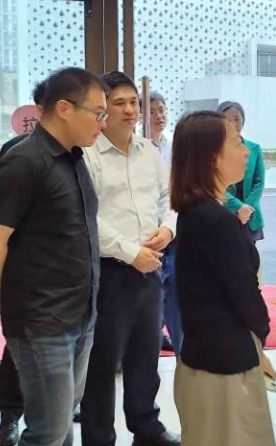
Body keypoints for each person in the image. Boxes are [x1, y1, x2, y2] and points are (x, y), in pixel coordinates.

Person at [0, 67, 108, 446]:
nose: (103, 123)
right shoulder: (24, 160)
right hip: (42, 322)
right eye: (98, 113)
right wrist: (8, 300)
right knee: (47, 431)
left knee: (61, 422)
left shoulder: (73, 157)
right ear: (64, 109)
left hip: (80, 314)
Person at [79, 71, 181, 446]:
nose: (129, 110)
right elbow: (87, 216)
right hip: (108, 272)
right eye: (118, 103)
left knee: (145, 354)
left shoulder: (149, 152)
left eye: (133, 102)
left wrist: (168, 229)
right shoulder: (88, 154)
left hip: (150, 268)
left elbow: (171, 197)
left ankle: (146, 426)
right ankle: (98, 437)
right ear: (103, 109)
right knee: (101, 363)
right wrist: (130, 251)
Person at [170, 110, 276, 446]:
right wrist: (261, 340)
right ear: (212, 157)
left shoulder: (196, 212)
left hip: (207, 357)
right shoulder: (215, 221)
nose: (245, 151)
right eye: (236, 143)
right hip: (225, 368)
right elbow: (245, 295)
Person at [0, 82, 44, 446]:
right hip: (26, 266)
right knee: (19, 345)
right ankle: (9, 414)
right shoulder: (16, 152)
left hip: (70, 269)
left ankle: (67, 403)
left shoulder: (79, 152)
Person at [149, 92, 181, 354]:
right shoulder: (139, 147)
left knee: (171, 282)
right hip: (149, 225)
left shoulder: (170, 146)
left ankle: (162, 331)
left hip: (171, 222)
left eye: (162, 110)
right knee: (155, 284)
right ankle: (154, 332)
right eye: (152, 111)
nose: (159, 116)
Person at [217, 101, 266, 243]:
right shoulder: (213, 150)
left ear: (243, 121)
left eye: (237, 119)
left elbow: (259, 182)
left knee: (250, 255)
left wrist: (246, 209)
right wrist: (238, 207)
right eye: (227, 121)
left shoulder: (254, 148)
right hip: (224, 214)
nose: (233, 124)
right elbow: (214, 184)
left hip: (250, 218)